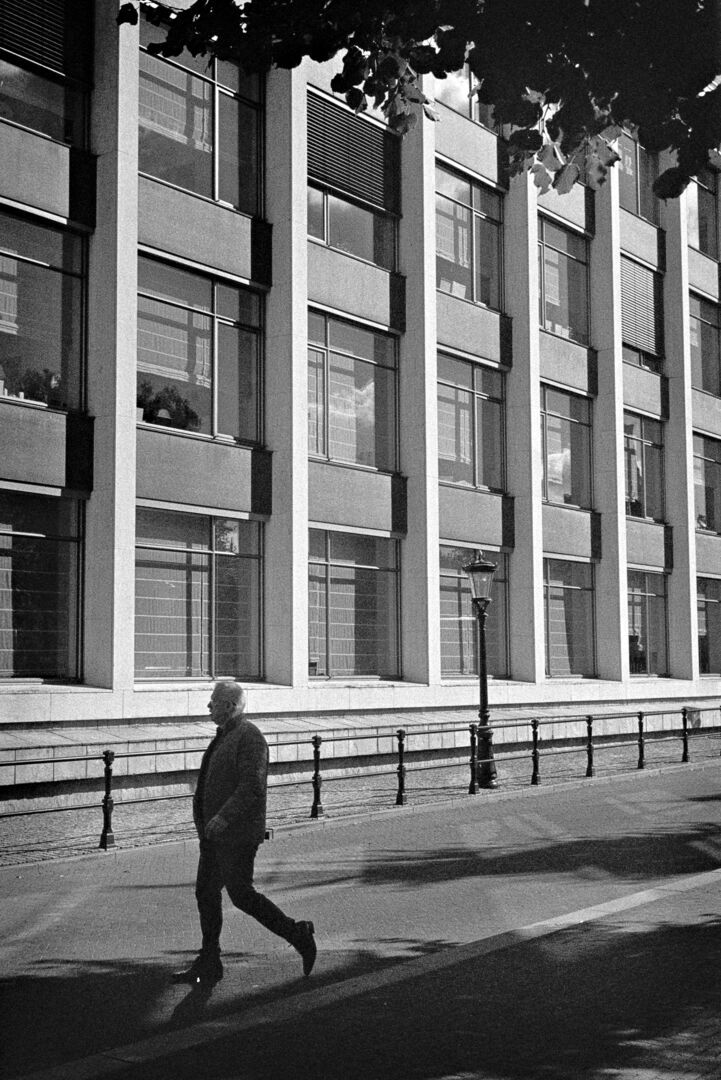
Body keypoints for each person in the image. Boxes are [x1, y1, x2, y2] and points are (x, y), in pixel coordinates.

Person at [172, 681, 316, 987]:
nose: (208, 707)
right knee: (207, 893)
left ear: (230, 705)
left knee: (242, 895)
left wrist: (224, 817)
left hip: (236, 835)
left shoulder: (250, 737)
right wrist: (204, 820)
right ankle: (209, 961)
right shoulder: (224, 736)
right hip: (214, 835)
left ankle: (298, 933)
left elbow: (252, 785)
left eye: (213, 702)